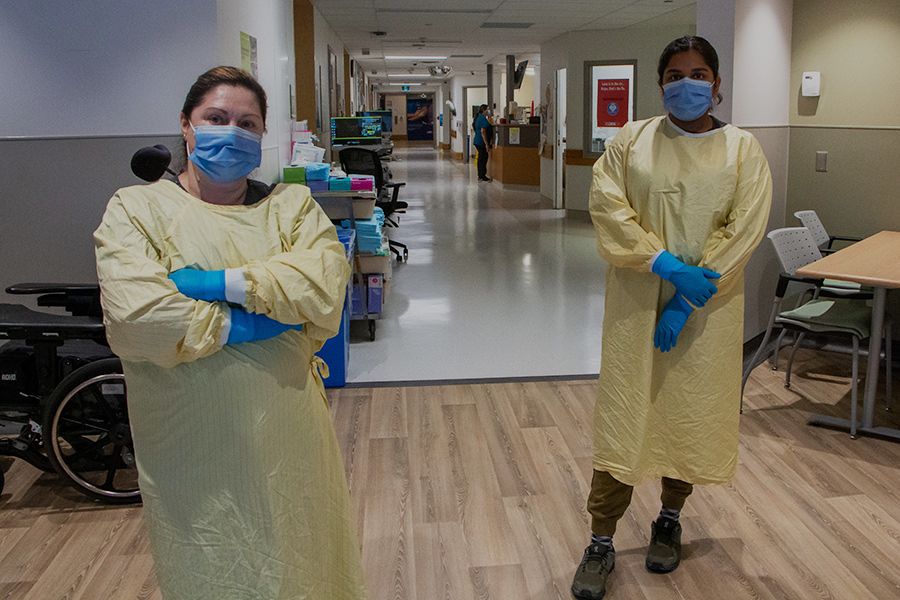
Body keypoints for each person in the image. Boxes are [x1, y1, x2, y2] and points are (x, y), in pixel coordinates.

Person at [94, 66, 366, 599]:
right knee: (212, 567)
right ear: (186, 126)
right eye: (216, 118)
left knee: (302, 559)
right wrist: (266, 316)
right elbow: (138, 318)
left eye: (248, 123)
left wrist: (211, 283)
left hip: (288, 426)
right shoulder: (138, 208)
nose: (232, 132)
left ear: (263, 136)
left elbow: (326, 286)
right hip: (189, 437)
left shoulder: (290, 207)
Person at [571, 36, 772, 600]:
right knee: (624, 413)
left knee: (686, 414)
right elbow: (609, 206)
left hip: (706, 311)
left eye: (701, 72)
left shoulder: (742, 150)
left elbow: (745, 228)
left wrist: (687, 296)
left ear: (718, 82)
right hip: (636, 307)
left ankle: (669, 519)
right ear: (661, 84)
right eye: (677, 74)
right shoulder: (631, 142)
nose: (689, 83)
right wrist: (660, 262)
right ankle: (601, 542)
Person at [472, 104, 492, 181]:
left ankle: (480, 175)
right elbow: (483, 131)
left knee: (481, 158)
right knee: (483, 159)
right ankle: (482, 176)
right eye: (487, 109)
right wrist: (486, 144)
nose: (488, 111)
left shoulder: (478, 117)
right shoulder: (482, 118)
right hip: (481, 142)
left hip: (477, 141)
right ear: (484, 110)